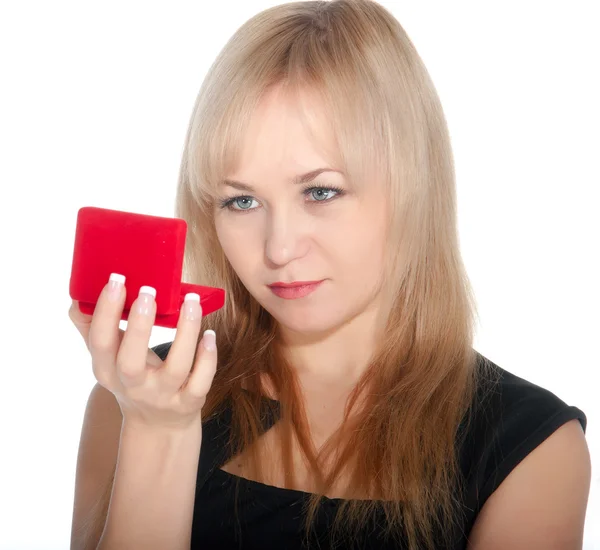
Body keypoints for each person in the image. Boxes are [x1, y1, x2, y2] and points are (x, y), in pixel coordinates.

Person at [68, 1, 591, 549]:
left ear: (413, 187)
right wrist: (159, 432)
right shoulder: (135, 399)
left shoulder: (533, 449)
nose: (279, 248)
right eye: (241, 201)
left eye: (321, 192)